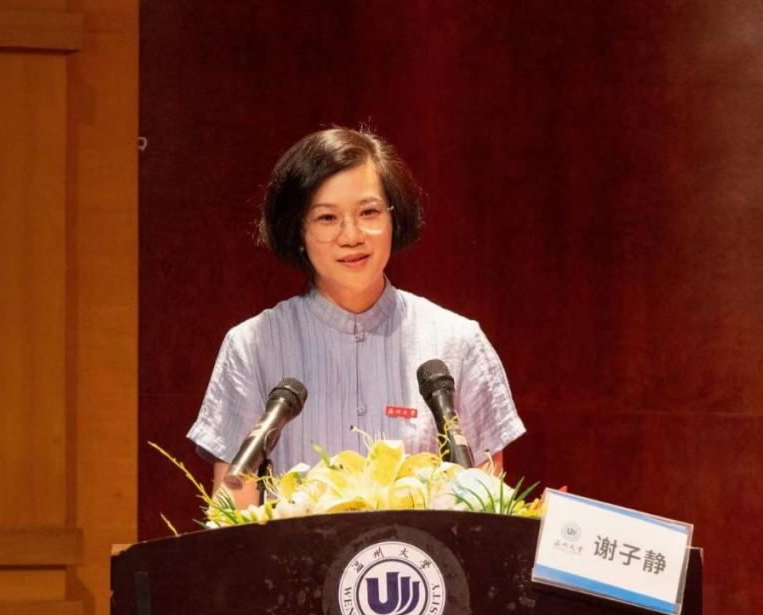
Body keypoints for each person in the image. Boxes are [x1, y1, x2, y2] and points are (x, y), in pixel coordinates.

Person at [188, 127, 525, 508]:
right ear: (298, 230)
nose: (351, 236)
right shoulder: (252, 347)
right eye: (327, 217)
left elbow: (487, 514)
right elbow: (234, 516)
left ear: (394, 217)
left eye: (368, 212)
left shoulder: (457, 343)